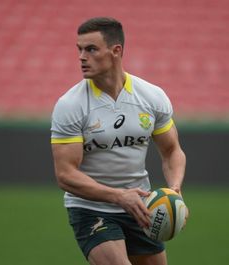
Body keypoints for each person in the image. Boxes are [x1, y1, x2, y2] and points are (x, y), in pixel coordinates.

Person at [51, 17, 188, 265]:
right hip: (91, 208)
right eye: (79, 49)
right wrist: (118, 196)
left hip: (140, 208)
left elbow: (172, 152)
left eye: (91, 49)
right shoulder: (70, 105)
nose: (82, 56)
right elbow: (65, 175)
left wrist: (175, 190)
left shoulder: (151, 97)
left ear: (116, 51)